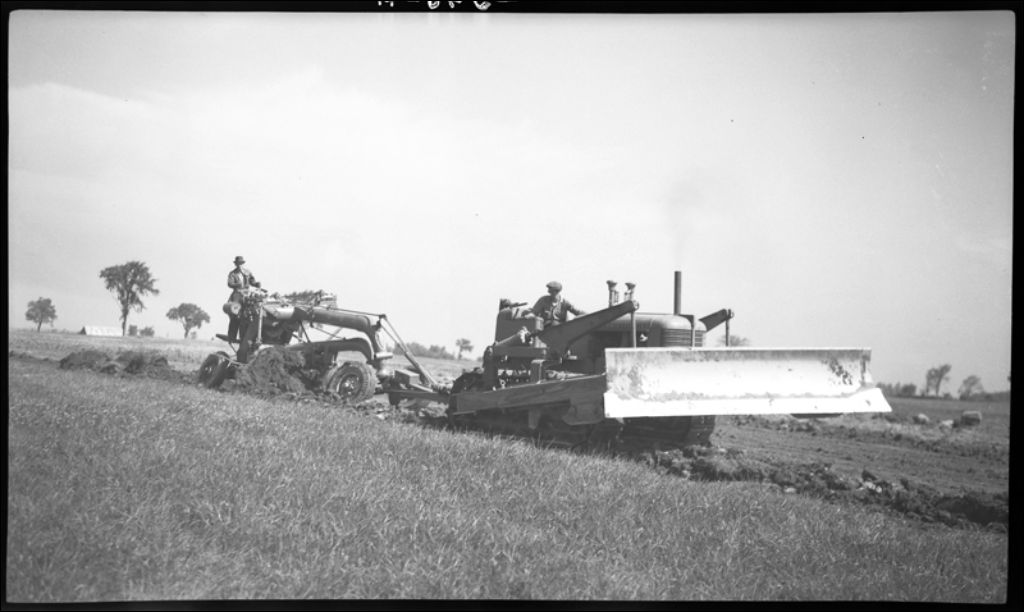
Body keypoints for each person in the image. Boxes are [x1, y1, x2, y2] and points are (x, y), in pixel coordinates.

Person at [225, 255, 260, 341]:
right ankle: (232, 335)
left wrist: (256, 284)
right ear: (236, 264)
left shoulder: (248, 272)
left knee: (251, 312)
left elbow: (252, 281)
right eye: (238, 263)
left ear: (242, 264)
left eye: (240, 263)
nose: (239, 265)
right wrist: (237, 285)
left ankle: (249, 335)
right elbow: (229, 284)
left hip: (247, 294)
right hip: (237, 294)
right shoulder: (232, 273)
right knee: (235, 314)